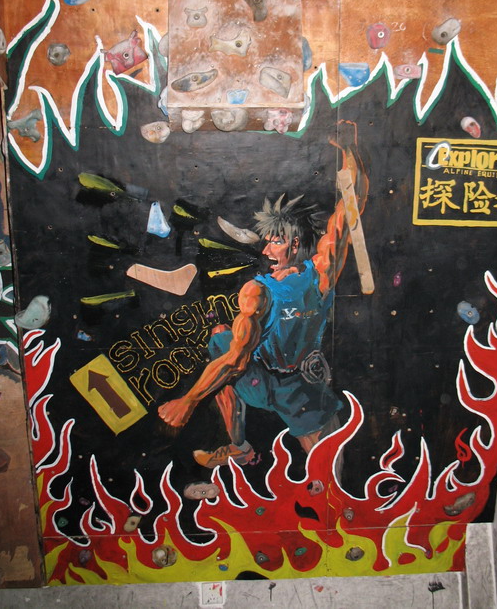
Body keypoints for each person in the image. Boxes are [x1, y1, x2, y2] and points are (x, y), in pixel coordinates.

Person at [158, 121, 368, 468]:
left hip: (296, 384)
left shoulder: (267, 289)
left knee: (328, 471)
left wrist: (188, 401)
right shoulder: (320, 274)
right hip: (264, 376)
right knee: (221, 337)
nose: (267, 250)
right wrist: (350, 151)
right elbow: (351, 204)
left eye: (276, 242)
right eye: (267, 241)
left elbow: (236, 363)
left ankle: (264, 455)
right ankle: (239, 447)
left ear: (295, 244)